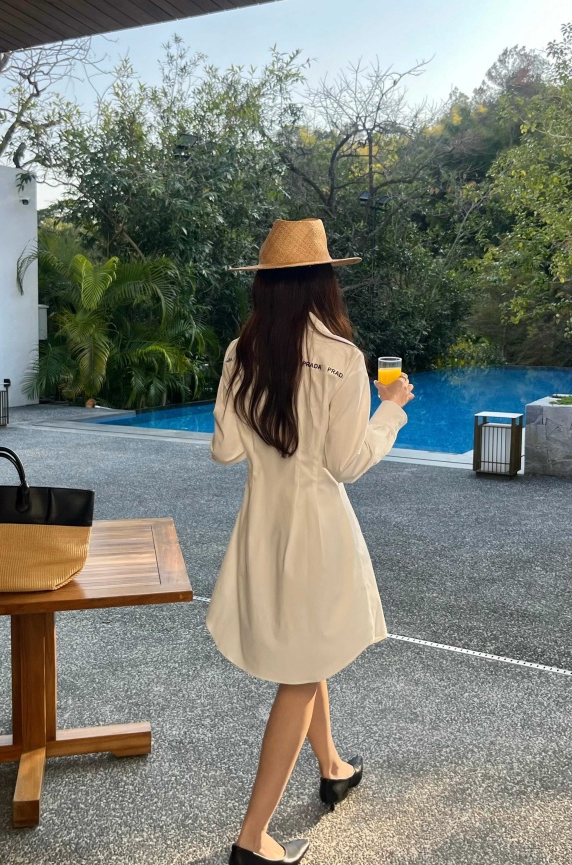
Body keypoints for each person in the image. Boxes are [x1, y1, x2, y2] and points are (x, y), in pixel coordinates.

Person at [206, 218, 415, 865]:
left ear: (265, 286)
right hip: (318, 535)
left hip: (262, 529)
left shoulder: (241, 353)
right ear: (323, 282)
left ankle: (332, 767)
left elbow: (225, 449)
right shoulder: (341, 358)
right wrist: (392, 408)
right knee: (300, 673)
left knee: (307, 652)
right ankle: (252, 839)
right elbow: (348, 462)